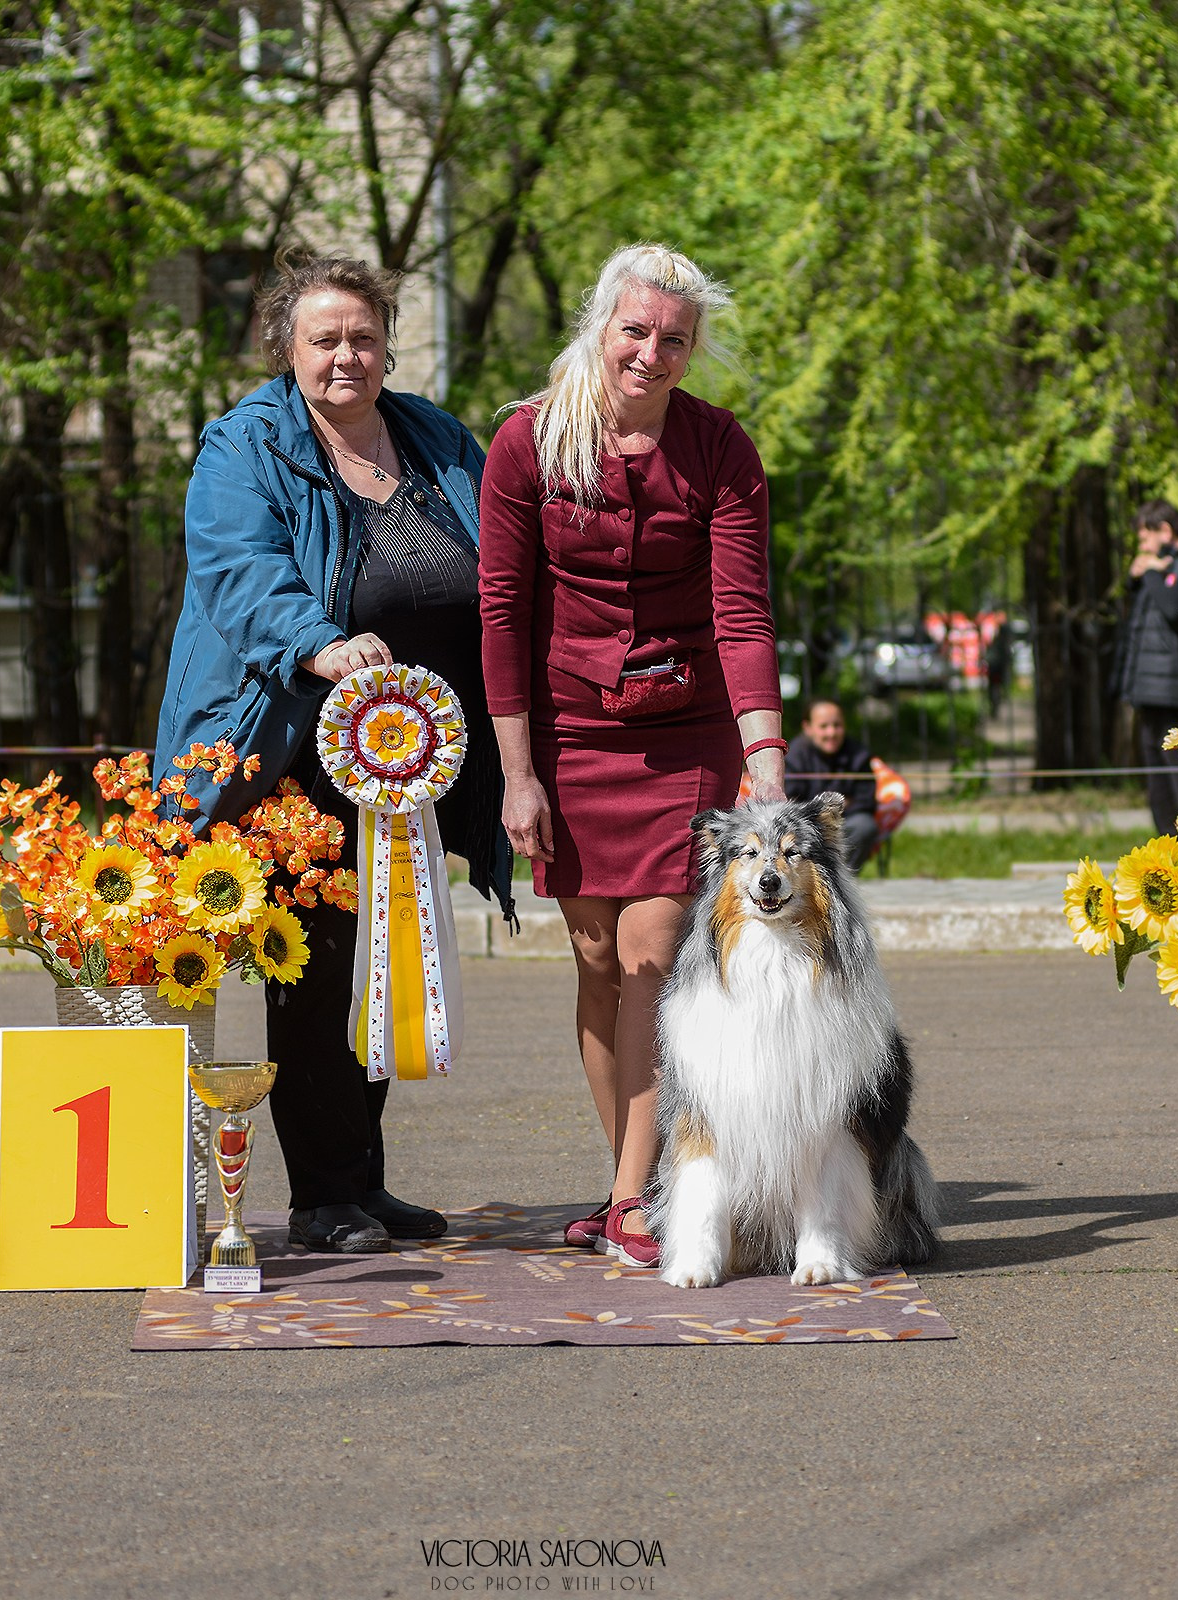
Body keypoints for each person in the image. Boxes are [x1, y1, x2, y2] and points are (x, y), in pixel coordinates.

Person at [155, 251, 514, 1255]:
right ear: (286, 346)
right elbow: (239, 569)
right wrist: (318, 641)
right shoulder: (244, 444)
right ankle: (322, 1196)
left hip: (413, 752)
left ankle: (364, 1179)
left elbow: (502, 545)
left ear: (387, 344)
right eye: (324, 340)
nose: (345, 356)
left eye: (363, 337)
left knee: (388, 956)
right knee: (314, 972)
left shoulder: (435, 435)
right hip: (295, 748)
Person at [478, 243, 784, 1268]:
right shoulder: (526, 441)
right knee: (598, 961)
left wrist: (764, 757)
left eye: (674, 340)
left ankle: (627, 1201)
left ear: (693, 351)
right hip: (567, 734)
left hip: (684, 732)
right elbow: (502, 612)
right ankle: (642, 1179)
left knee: (653, 957)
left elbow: (741, 614)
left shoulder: (721, 448)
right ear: (600, 327)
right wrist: (517, 774)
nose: (651, 353)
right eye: (636, 331)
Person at [1111, 499, 1178, 836]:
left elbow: (1173, 611)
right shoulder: (1161, 568)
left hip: (1173, 696)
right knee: (1158, 786)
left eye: (1145, 539)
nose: (1142, 548)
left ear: (1165, 531)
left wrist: (1152, 571)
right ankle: (1167, 855)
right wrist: (1138, 577)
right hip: (1149, 694)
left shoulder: (1176, 567)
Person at [784, 698, 878, 871]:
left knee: (866, 825)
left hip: (846, 823)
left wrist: (836, 813)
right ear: (808, 728)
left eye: (837, 725)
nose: (831, 733)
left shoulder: (859, 754)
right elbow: (789, 802)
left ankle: (842, 876)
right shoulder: (794, 756)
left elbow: (867, 800)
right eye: (823, 726)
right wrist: (820, 815)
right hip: (806, 825)